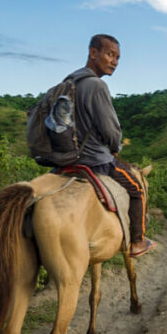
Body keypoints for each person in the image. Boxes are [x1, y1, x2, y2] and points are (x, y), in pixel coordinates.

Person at [63, 34, 156, 257]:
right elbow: (111, 131)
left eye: (117, 58)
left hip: (65, 159)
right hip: (94, 160)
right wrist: (115, 147)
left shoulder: (68, 83)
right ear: (93, 53)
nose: (114, 61)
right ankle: (137, 242)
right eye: (110, 54)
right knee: (136, 189)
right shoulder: (97, 85)